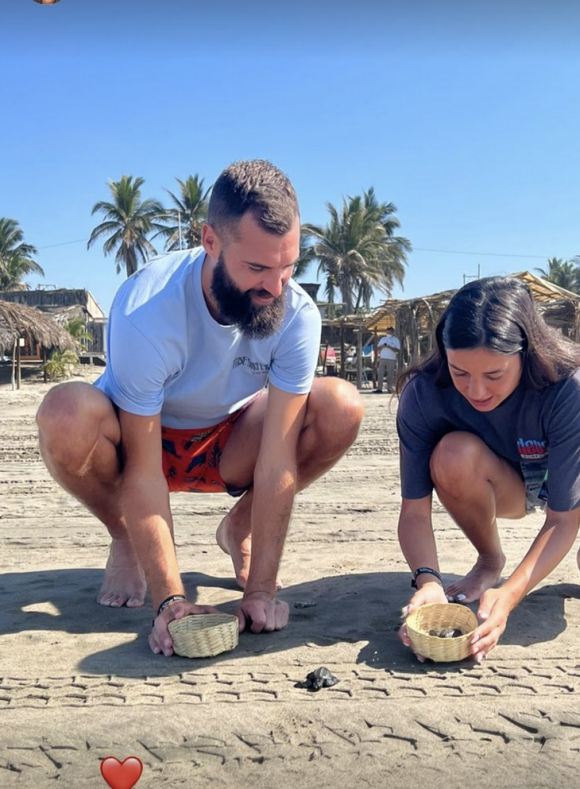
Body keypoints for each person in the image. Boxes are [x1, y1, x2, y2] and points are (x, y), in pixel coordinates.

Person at [36, 160, 364, 656]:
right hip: (138, 439)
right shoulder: (148, 308)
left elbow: (277, 459)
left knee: (340, 404)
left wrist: (261, 591)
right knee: (64, 414)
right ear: (210, 241)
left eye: (287, 266)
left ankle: (238, 525)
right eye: (256, 268)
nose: (275, 288)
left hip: (228, 441)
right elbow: (143, 471)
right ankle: (124, 535)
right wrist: (170, 599)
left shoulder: (295, 313)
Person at [396, 276, 580, 663]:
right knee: (453, 453)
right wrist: (427, 581)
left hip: (569, 472)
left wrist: (510, 595)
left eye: (494, 375)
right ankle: (489, 560)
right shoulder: (424, 394)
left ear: (527, 353)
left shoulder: (567, 388)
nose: (476, 391)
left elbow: (562, 519)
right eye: (460, 372)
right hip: (512, 480)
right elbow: (413, 511)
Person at [374, 326, 400, 393]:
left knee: (390, 374)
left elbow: (397, 350)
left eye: (390, 332)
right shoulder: (383, 339)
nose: (388, 333)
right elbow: (378, 348)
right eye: (387, 332)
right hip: (383, 358)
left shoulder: (396, 340)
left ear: (392, 332)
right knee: (380, 373)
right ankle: (379, 388)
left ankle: (389, 388)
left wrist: (389, 347)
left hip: (391, 359)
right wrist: (383, 346)